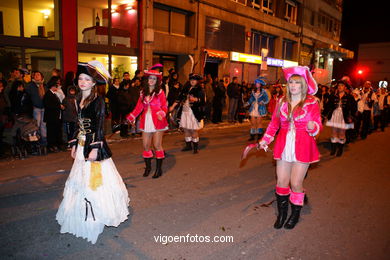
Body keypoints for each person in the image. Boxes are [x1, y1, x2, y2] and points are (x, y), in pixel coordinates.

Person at [56, 61, 130, 244]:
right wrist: (73, 144)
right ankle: (79, 211)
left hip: (93, 146)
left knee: (95, 181)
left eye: (86, 79)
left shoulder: (98, 101)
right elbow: (76, 124)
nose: (82, 82)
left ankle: (97, 213)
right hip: (81, 146)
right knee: (80, 179)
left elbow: (98, 127)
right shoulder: (76, 99)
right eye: (80, 78)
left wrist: (95, 149)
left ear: (93, 83)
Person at [259, 66, 322, 229]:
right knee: (281, 181)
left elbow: (318, 125)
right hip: (284, 144)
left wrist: (312, 125)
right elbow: (274, 123)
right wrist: (265, 139)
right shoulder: (282, 102)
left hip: (303, 144)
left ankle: (295, 214)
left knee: (295, 183)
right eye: (291, 82)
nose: (293, 86)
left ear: (304, 85)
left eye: (297, 83)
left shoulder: (312, 102)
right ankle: (282, 214)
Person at [126, 69, 168, 178]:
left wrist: (162, 113)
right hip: (146, 121)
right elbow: (139, 107)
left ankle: (158, 169)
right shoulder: (142, 92)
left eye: (154, 78)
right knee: (145, 146)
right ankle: (148, 167)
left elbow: (164, 106)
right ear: (147, 79)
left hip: (158, 121)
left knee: (157, 145)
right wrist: (131, 116)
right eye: (150, 78)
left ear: (157, 81)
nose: (152, 80)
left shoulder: (160, 92)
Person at [170, 74, 205, 154]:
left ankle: (195, 148)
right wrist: (172, 106)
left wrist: (196, 99)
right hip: (185, 111)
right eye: (191, 80)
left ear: (197, 81)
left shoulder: (200, 90)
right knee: (186, 129)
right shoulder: (185, 89)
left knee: (193, 130)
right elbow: (179, 98)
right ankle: (188, 146)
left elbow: (203, 101)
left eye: (194, 80)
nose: (192, 81)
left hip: (193, 113)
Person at [324, 80, 355, 156]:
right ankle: (333, 149)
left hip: (343, 116)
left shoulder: (349, 97)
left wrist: (351, 116)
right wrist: (323, 115)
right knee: (334, 133)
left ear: (345, 88)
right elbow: (328, 106)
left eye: (342, 86)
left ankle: (340, 149)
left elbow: (353, 108)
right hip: (335, 115)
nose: (340, 87)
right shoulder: (333, 96)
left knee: (341, 133)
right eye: (339, 86)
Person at [25, 71, 47, 147]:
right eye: (35, 75)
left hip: (44, 108)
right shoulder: (30, 86)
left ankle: (44, 141)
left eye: (39, 75)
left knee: (43, 125)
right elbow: (27, 97)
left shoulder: (44, 85)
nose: (37, 76)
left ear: (42, 76)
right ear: (33, 77)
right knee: (36, 125)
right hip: (36, 108)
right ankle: (37, 141)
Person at [43, 76, 64, 152]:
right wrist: (59, 106)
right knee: (51, 132)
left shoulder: (54, 94)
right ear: (53, 86)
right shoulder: (48, 94)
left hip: (56, 116)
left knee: (56, 131)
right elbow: (48, 105)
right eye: (57, 86)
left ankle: (57, 144)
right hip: (51, 117)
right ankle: (51, 146)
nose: (58, 88)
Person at [245, 77, 269, 141]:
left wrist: (263, 102)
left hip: (260, 108)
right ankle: (252, 136)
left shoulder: (264, 92)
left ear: (260, 84)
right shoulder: (253, 91)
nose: (257, 84)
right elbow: (251, 99)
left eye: (258, 83)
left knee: (259, 122)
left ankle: (259, 135)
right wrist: (247, 103)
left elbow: (267, 100)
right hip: (253, 107)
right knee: (253, 122)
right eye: (256, 83)